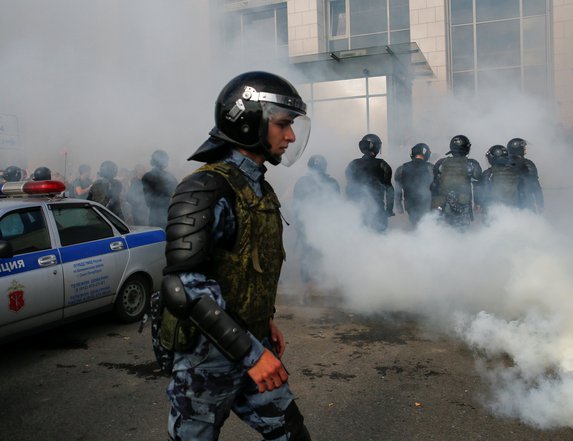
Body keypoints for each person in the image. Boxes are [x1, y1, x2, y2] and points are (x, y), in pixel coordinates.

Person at [156, 71, 312, 441]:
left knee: (291, 433)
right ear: (247, 123)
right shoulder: (205, 187)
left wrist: (263, 320)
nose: (290, 136)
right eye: (282, 125)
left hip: (251, 343)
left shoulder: (257, 187)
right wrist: (252, 354)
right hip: (206, 361)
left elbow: (247, 269)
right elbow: (182, 286)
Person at [293, 154, 340, 298]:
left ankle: (309, 282)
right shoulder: (331, 182)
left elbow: (297, 204)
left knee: (309, 252)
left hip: (310, 222)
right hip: (317, 223)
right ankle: (318, 282)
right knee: (321, 252)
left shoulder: (302, 182)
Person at [344, 133, 395, 232]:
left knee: (360, 237)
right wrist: (389, 210)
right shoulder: (382, 164)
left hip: (358, 209)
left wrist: (351, 208)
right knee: (380, 238)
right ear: (376, 147)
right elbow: (389, 190)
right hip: (377, 209)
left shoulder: (352, 164)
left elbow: (349, 188)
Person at [430, 134, 482, 228]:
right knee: (461, 234)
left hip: (443, 204)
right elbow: (478, 182)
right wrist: (478, 203)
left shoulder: (441, 163)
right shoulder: (471, 164)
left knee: (443, 232)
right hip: (463, 205)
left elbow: (434, 185)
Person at [475, 145, 524, 217]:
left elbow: (483, 193)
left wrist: (479, 204)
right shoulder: (516, 172)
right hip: (514, 210)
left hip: (494, 211)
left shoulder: (488, 173)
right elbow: (523, 191)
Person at [393, 142, 434, 227]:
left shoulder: (401, 169)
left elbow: (398, 191)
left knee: (415, 225)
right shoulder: (430, 168)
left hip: (410, 205)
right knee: (427, 227)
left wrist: (399, 207)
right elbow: (436, 187)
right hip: (427, 205)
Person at [142, 149, 178, 229]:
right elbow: (149, 200)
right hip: (158, 214)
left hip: (167, 212)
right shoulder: (148, 176)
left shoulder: (169, 176)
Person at [507, 137, 544, 213]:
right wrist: (540, 204)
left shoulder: (502, 164)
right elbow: (535, 185)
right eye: (523, 148)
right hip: (525, 202)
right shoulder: (527, 164)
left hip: (507, 202)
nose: (525, 150)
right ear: (518, 149)